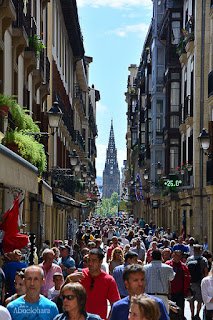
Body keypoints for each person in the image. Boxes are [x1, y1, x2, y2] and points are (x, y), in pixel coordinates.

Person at [67, 248, 120, 320]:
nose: (90, 263)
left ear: (101, 262)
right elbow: (62, 295)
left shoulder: (109, 280)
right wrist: (68, 279)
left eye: (94, 260)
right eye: (89, 260)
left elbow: (115, 304)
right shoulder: (78, 275)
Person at [186, 244, 209, 320]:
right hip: (200, 283)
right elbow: (206, 272)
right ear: (200, 251)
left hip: (191, 282)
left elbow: (186, 271)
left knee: (191, 300)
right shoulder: (203, 260)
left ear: (193, 250)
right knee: (200, 300)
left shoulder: (189, 259)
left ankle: (192, 315)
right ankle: (197, 314)